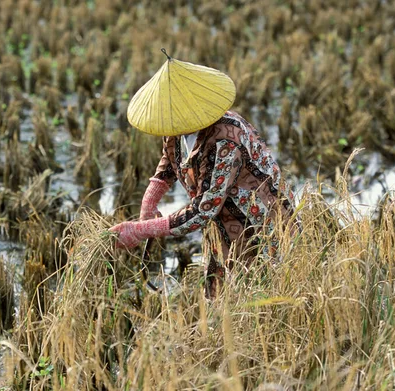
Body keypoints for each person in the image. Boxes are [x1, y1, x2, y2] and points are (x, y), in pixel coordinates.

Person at [109, 49, 296, 297]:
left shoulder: (226, 141)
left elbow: (202, 211)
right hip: (222, 224)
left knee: (261, 296)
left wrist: (141, 230)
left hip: (260, 222)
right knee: (220, 295)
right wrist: (150, 200)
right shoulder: (175, 127)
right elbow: (169, 161)